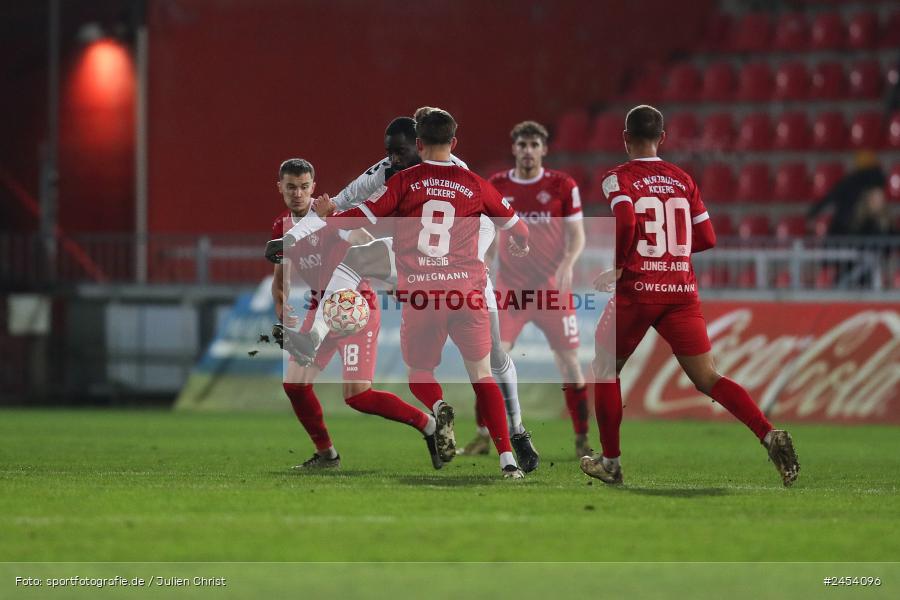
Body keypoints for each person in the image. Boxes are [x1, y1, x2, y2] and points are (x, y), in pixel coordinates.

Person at [268, 115, 539, 472]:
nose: (394, 159)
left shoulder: (425, 178)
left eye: (401, 151)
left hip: (458, 265)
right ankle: (314, 335)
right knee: (356, 259)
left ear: (421, 144)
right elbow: (345, 199)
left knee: (488, 357)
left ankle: (516, 431)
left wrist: (311, 229)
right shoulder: (432, 176)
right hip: (445, 272)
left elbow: (355, 214)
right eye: (390, 153)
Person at [583, 106, 800, 487]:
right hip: (681, 290)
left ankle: (611, 463)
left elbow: (627, 218)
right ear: (662, 138)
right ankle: (768, 434)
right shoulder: (683, 179)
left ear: (625, 137)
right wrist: (672, 254)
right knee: (707, 377)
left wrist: (619, 266)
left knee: (604, 369)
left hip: (639, 288)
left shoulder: (618, 178)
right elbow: (708, 238)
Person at [270, 158, 447, 471]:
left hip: (354, 308)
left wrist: (393, 278)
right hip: (318, 308)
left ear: (313, 187)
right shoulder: (282, 226)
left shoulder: (330, 217)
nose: (298, 193)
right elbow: (280, 279)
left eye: (303, 186)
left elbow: (365, 242)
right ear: (280, 188)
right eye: (291, 187)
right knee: (294, 386)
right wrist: (283, 309)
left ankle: (428, 426)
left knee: (357, 396)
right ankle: (327, 455)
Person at [479, 120, 590, 458]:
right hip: (510, 290)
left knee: (570, 365)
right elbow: (491, 233)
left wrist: (568, 263)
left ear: (544, 149)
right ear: (514, 149)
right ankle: (485, 435)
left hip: (550, 289)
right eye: (522, 145)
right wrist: (484, 263)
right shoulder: (496, 184)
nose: (528, 151)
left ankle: (582, 437)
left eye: (534, 145)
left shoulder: (562, 185)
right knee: (489, 358)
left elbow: (577, 235)